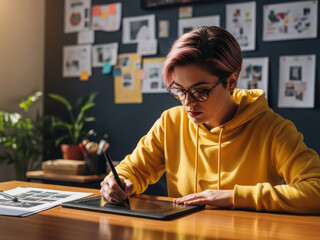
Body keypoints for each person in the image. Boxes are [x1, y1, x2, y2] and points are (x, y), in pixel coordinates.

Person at [100, 26, 320, 213]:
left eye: (200, 91)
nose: (188, 102)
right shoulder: (170, 122)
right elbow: (135, 169)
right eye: (180, 90)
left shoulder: (273, 129)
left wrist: (235, 197)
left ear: (231, 82)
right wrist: (118, 181)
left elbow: (316, 188)